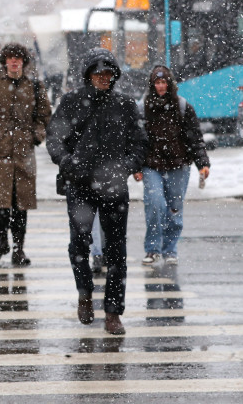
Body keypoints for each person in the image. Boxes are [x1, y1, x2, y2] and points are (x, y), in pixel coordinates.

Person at [46, 48, 148, 335]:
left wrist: (126, 166)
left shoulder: (125, 105)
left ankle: (113, 312)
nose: (104, 77)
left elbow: (140, 143)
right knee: (79, 244)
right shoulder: (71, 102)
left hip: (114, 187)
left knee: (116, 250)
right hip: (80, 185)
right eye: (98, 73)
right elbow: (54, 138)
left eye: (108, 73)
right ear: (88, 75)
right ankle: (85, 294)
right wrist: (67, 162)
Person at [0, 42, 52, 266]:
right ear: (5, 61)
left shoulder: (34, 85)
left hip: (24, 153)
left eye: (18, 57)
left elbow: (44, 115)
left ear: (24, 61)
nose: (14, 61)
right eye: (10, 57)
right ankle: (1, 242)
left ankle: (19, 248)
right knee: (1, 203)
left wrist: (36, 136)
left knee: (21, 204)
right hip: (1, 152)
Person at [133, 65, 210, 266]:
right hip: (151, 165)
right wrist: (136, 167)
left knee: (174, 210)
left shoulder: (182, 106)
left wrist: (202, 163)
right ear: (152, 85)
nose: (161, 86)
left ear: (170, 84)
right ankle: (152, 249)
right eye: (157, 83)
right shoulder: (142, 108)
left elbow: (195, 138)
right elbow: (135, 140)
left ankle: (170, 250)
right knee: (155, 204)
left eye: (164, 82)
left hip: (178, 164)